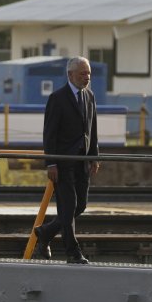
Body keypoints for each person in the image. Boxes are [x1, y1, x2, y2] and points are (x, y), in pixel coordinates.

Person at [33, 56, 99, 265]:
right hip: (63, 162)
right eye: (82, 73)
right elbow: (49, 133)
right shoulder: (57, 98)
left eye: (88, 73)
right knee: (68, 207)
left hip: (82, 161)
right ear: (70, 74)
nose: (87, 77)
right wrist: (51, 163)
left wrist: (94, 156)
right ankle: (73, 252)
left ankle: (45, 232)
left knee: (80, 206)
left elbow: (92, 128)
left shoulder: (89, 96)